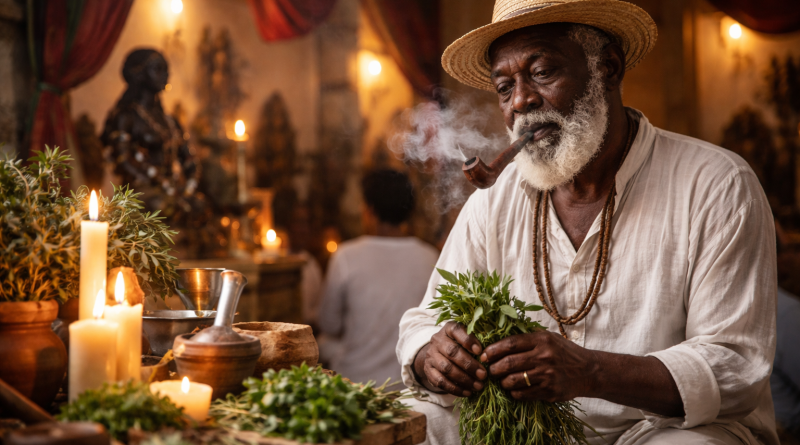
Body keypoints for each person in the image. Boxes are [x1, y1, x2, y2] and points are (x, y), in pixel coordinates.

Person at [397, 1, 778, 444]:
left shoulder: (716, 183)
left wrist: (591, 371)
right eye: (504, 87)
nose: (521, 101)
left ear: (607, 68)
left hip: (661, 429)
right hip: (530, 431)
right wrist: (433, 355)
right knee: (414, 420)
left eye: (542, 72)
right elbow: (424, 323)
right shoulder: (494, 201)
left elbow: (734, 365)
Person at [319, 169, 439, 385]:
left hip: (354, 381)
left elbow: (329, 324)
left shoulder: (346, 256)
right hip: (409, 381)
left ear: (370, 210)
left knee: (323, 341)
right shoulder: (429, 256)